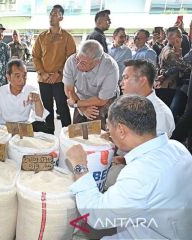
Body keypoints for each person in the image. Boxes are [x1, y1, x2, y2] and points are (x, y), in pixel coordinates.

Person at [67, 95, 192, 239]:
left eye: (109, 126)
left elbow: (95, 215)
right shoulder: (177, 147)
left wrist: (79, 165)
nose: (108, 131)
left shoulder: (140, 175)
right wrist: (126, 158)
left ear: (121, 129)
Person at [32, 4, 76, 133]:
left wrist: (59, 73)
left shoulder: (67, 37)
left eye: (55, 14)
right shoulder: (41, 37)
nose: (52, 16)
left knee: (63, 107)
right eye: (51, 13)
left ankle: (68, 135)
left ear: (61, 17)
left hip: (60, 79)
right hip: (43, 79)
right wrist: (42, 72)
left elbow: (71, 58)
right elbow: (35, 56)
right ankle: (49, 134)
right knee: (47, 108)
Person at [63, 40, 119, 129]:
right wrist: (82, 109)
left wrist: (76, 103)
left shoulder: (110, 67)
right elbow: (69, 90)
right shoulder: (71, 61)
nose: (77, 65)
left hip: (104, 98)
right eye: (77, 59)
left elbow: (102, 100)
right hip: (81, 96)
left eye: (83, 63)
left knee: (95, 121)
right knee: (77, 127)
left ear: (96, 62)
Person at [0, 59, 51, 134]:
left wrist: (38, 101)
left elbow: (40, 117)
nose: (22, 80)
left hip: (24, 127)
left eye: (24, 76)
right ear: (8, 77)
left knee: (43, 127)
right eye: (17, 76)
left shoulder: (31, 91)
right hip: (4, 129)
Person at [121, 59, 175, 137]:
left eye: (125, 78)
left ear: (142, 80)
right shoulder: (129, 102)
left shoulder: (159, 115)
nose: (121, 82)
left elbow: (154, 148)